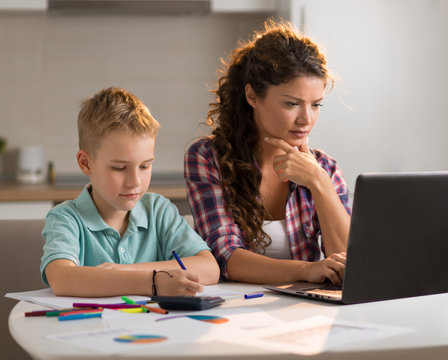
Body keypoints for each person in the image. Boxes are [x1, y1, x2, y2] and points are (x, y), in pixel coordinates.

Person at [185, 20, 351, 284]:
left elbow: (347, 263)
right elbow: (226, 256)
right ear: (252, 96)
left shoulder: (325, 168)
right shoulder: (208, 158)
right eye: (292, 104)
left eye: (316, 105)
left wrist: (320, 183)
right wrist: (306, 270)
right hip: (238, 309)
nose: (306, 119)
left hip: (304, 309)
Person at [41, 87, 219, 297]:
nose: (135, 182)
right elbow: (62, 279)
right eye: (119, 168)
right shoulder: (66, 218)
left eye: (144, 166)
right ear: (86, 163)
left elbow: (209, 268)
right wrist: (154, 282)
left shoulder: (159, 211)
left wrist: (122, 270)